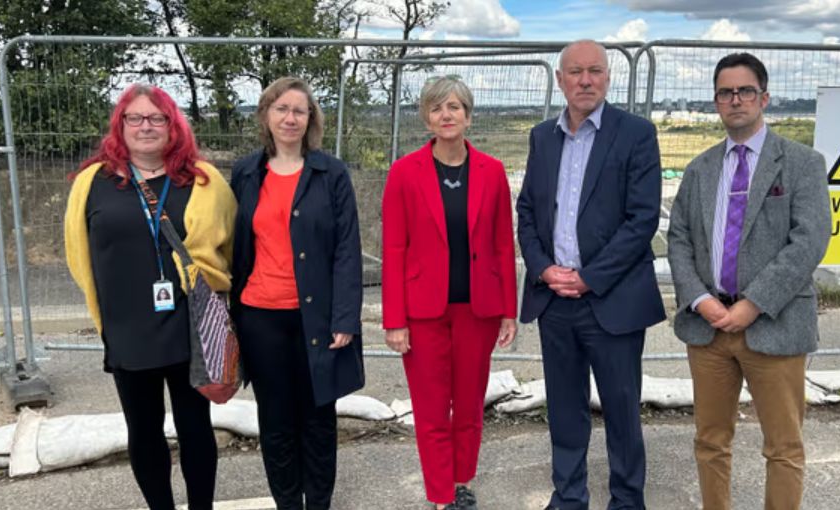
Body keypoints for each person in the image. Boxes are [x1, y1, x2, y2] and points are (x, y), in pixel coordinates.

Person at [667, 52, 832, 510]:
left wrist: (754, 303)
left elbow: (810, 241)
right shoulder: (700, 170)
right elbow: (678, 239)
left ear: (764, 98)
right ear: (716, 101)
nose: (735, 99)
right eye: (725, 92)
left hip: (773, 326)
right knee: (710, 442)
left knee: (783, 447)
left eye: (744, 91)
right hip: (709, 327)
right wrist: (700, 299)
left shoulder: (801, 163)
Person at [64, 84, 236, 510]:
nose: (146, 126)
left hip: (187, 324)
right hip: (127, 327)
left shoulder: (202, 180)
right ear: (120, 125)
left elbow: (227, 245)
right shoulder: (93, 183)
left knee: (195, 426)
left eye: (156, 118)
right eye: (135, 118)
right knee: (142, 430)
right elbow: (77, 251)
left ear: (172, 125)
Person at [516, 40, 665, 510]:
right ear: (559, 80)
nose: (585, 80)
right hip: (554, 302)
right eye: (575, 72)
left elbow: (641, 220)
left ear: (607, 77)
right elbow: (526, 212)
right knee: (564, 409)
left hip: (612, 300)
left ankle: (626, 499)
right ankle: (569, 496)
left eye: (595, 71)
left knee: (622, 409)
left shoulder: (636, 134)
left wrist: (588, 277)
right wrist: (543, 268)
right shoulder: (543, 136)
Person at [382, 76, 517, 510]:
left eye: (455, 106)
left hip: (477, 311)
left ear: (468, 115)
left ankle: (461, 481)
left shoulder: (492, 171)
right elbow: (395, 249)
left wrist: (507, 311)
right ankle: (441, 494)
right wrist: (394, 320)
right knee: (432, 410)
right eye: (438, 107)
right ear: (426, 116)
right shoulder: (405, 173)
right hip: (423, 313)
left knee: (470, 408)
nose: (447, 114)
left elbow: (502, 244)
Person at [230, 76, 364, 510]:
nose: (290, 118)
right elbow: (233, 244)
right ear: (266, 115)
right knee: (275, 422)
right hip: (259, 316)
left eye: (299, 111)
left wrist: (345, 317)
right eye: (281, 109)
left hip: (317, 318)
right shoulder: (245, 173)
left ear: (311, 120)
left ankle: (318, 503)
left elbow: (347, 249)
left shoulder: (331, 173)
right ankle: (288, 502)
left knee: (318, 418)